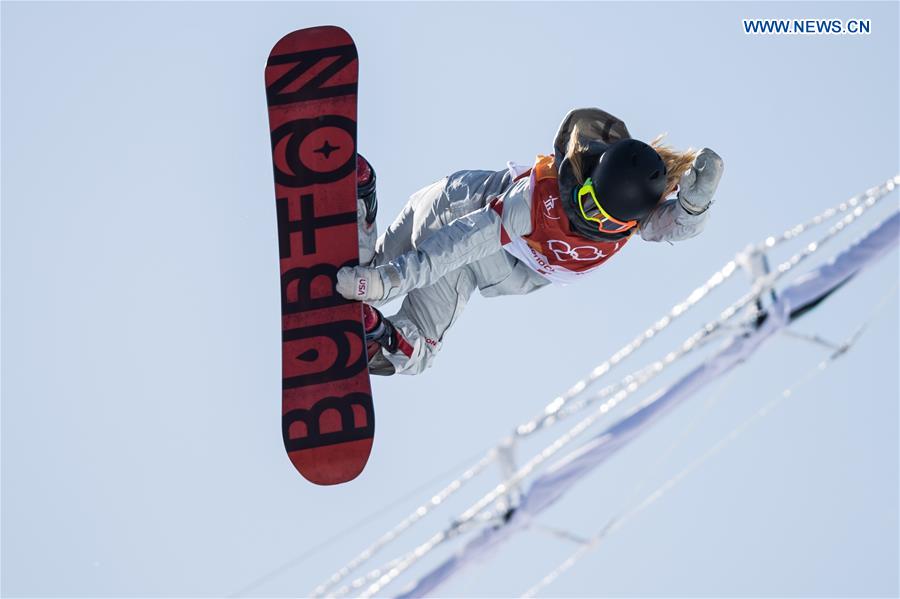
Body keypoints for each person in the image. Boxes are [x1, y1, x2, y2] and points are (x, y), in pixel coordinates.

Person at [337, 108, 724, 376]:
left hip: (446, 194)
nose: (583, 212)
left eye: (598, 215)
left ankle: (361, 204)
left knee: (365, 281)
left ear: (627, 220)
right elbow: (461, 243)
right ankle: (382, 336)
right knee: (419, 354)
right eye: (586, 198)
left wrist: (694, 204)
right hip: (467, 248)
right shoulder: (541, 199)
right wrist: (391, 281)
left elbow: (675, 225)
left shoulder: (635, 218)